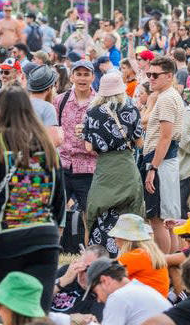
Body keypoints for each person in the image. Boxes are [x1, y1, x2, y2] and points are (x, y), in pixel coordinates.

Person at [0, 86, 65, 311]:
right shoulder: (47, 147)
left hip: (3, 241)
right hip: (44, 240)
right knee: (35, 313)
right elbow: (59, 200)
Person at [82, 72, 144, 250]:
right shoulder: (132, 110)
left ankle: (98, 252)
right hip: (126, 166)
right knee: (129, 211)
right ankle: (127, 251)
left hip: (104, 170)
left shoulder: (92, 112)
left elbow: (88, 148)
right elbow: (140, 144)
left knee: (99, 211)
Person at [141, 56, 184, 252]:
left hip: (161, 160)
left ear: (168, 76)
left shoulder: (166, 98)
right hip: (166, 160)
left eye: (155, 75)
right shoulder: (169, 95)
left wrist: (153, 168)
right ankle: (171, 268)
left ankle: (163, 265)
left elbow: (165, 137)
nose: (150, 78)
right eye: (149, 74)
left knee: (157, 219)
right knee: (168, 220)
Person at [56, 58, 97, 249]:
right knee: (57, 212)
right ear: (72, 76)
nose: (82, 78)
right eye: (78, 74)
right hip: (63, 163)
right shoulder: (61, 100)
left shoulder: (99, 103)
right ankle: (52, 254)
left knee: (90, 216)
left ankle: (90, 256)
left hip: (88, 166)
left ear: (93, 77)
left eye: (86, 74)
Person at [84, 258, 169, 325]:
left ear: (105, 280)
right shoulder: (137, 289)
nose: (98, 300)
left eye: (95, 292)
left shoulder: (118, 297)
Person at [109, 214, 170, 298]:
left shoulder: (136, 256)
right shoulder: (147, 253)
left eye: (116, 235)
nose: (114, 239)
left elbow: (105, 274)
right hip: (156, 304)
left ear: (125, 238)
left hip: (146, 306)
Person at [52, 244, 106, 322]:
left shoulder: (101, 294)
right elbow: (38, 298)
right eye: (80, 265)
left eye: (88, 269)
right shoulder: (67, 271)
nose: (81, 271)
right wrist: (63, 281)